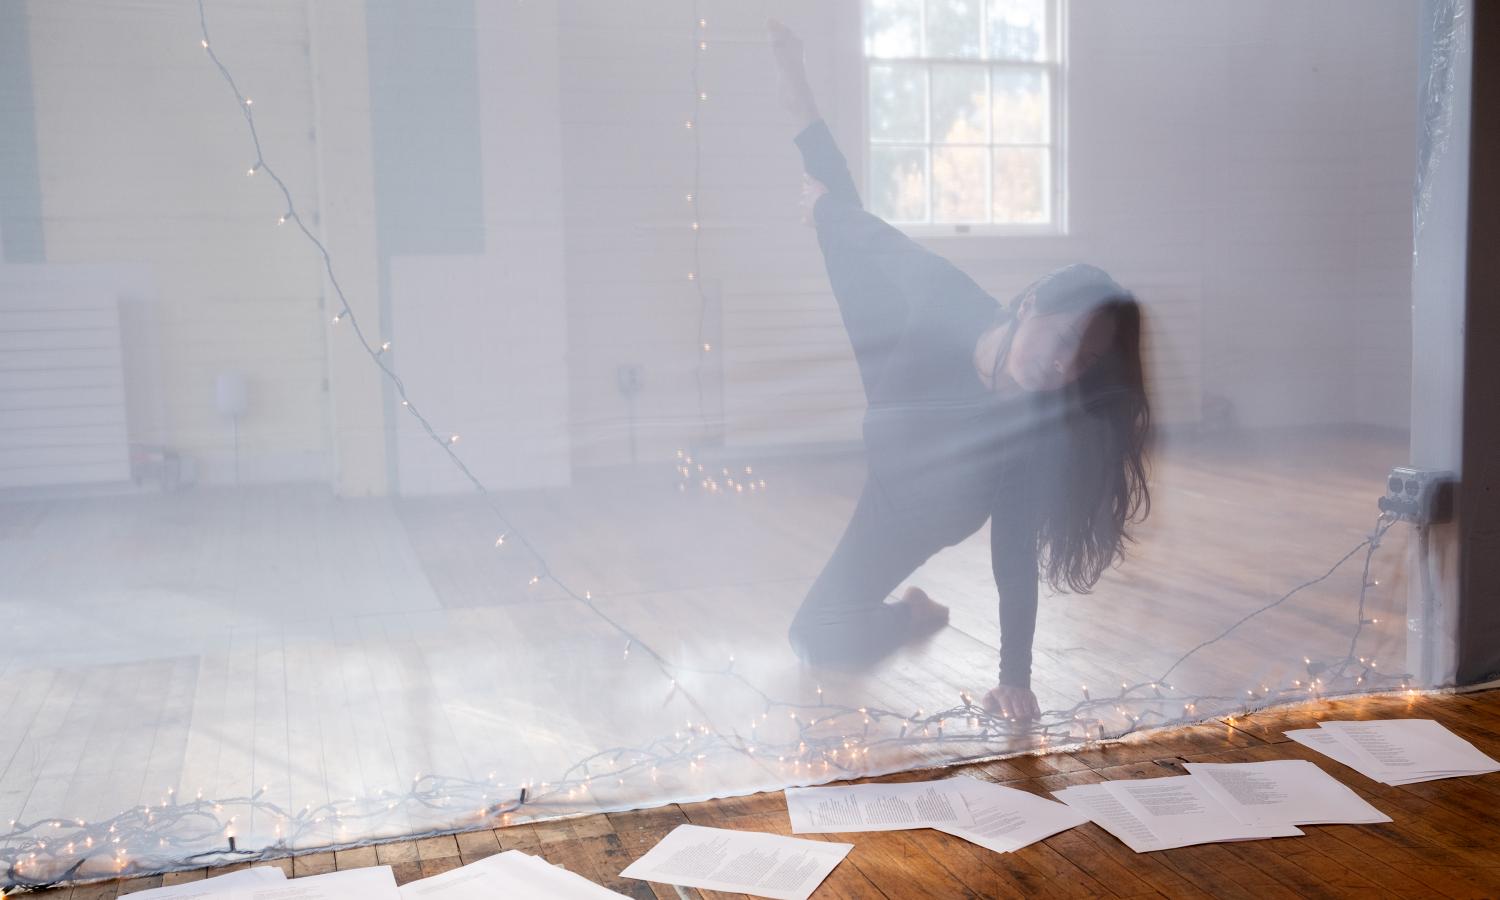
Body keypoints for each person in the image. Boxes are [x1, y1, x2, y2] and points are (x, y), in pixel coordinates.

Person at [769, 20, 1153, 722]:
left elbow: (1013, 552)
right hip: (890, 475)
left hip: (926, 517)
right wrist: (791, 69)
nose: (1065, 366)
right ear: (1031, 300)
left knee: (813, 638)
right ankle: (914, 615)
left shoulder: (1032, 429)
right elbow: (857, 216)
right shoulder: (938, 304)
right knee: (813, 636)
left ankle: (912, 616)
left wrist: (1016, 676)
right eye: (1064, 337)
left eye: (1087, 360)